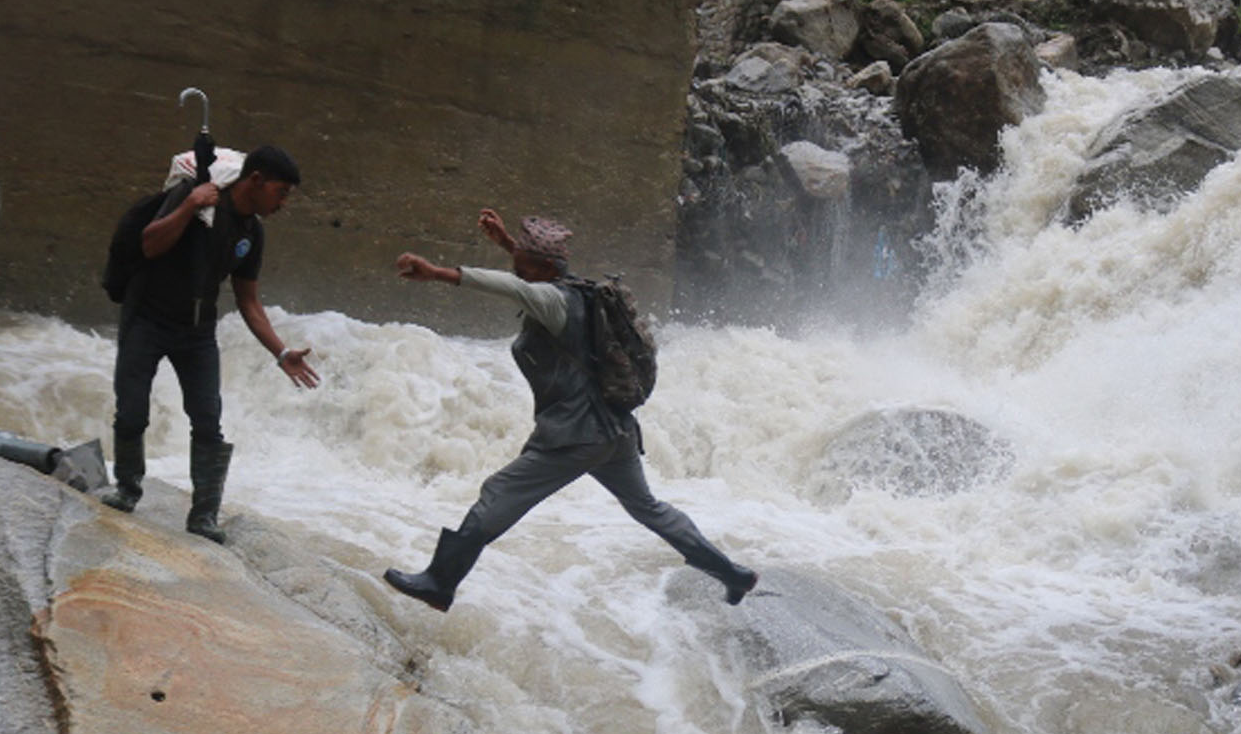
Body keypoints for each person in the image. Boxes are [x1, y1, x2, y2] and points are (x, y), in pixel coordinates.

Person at [383, 207, 757, 612]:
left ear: (542, 267)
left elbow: (514, 287)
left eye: (522, 263)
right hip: (616, 431)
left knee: (499, 492)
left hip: (576, 435)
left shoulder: (549, 299)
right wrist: (508, 242)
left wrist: (436, 272)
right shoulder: (580, 290)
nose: (517, 268)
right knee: (648, 508)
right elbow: (532, 275)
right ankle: (731, 573)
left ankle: (440, 581)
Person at [100, 144, 319, 542]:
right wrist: (188, 207)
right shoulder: (198, 197)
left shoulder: (252, 232)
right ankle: (127, 489)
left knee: (207, 420)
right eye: (281, 192)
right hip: (147, 317)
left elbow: (248, 301)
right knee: (131, 410)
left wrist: (281, 352)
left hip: (196, 331)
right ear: (255, 180)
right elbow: (150, 244)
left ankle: (204, 515)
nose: (284, 202)